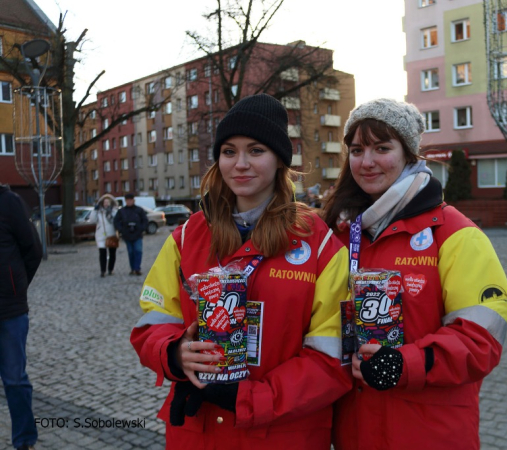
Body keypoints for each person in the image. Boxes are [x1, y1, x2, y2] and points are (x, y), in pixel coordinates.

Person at [130, 94, 351, 449]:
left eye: (256, 150)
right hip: (197, 431)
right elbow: (153, 319)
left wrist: (247, 398)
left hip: (281, 435)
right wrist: (173, 352)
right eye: (229, 151)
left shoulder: (319, 244)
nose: (241, 164)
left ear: (280, 159)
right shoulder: (188, 236)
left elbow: (332, 358)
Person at [322, 99, 507, 450]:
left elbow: (481, 340)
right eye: (357, 149)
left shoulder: (454, 233)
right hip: (355, 431)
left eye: (382, 148)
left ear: (409, 154)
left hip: (429, 432)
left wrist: (403, 363)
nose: (366, 162)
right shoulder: (339, 234)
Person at [0, 184, 42, 450]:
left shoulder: (10, 202)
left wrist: (16, 287)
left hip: (9, 311)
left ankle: (24, 440)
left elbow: (33, 250)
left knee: (15, 379)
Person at [114, 193, 148, 276]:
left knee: (138, 251)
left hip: (137, 234)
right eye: (127, 200)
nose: (129, 202)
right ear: (125, 201)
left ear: (133, 200)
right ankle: (133, 268)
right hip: (127, 235)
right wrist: (121, 230)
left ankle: (137, 268)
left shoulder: (139, 210)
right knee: (131, 252)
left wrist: (141, 228)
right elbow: (116, 221)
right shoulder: (122, 211)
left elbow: (145, 220)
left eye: (130, 200)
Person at [91, 193, 119, 277]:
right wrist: (94, 210)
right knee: (102, 253)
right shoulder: (99, 212)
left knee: (112, 253)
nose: (106, 204)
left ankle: (111, 269)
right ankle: (103, 270)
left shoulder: (114, 211)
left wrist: (113, 211)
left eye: (108, 202)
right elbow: (92, 220)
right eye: (105, 202)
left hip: (111, 234)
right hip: (101, 235)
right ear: (102, 203)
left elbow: (117, 219)